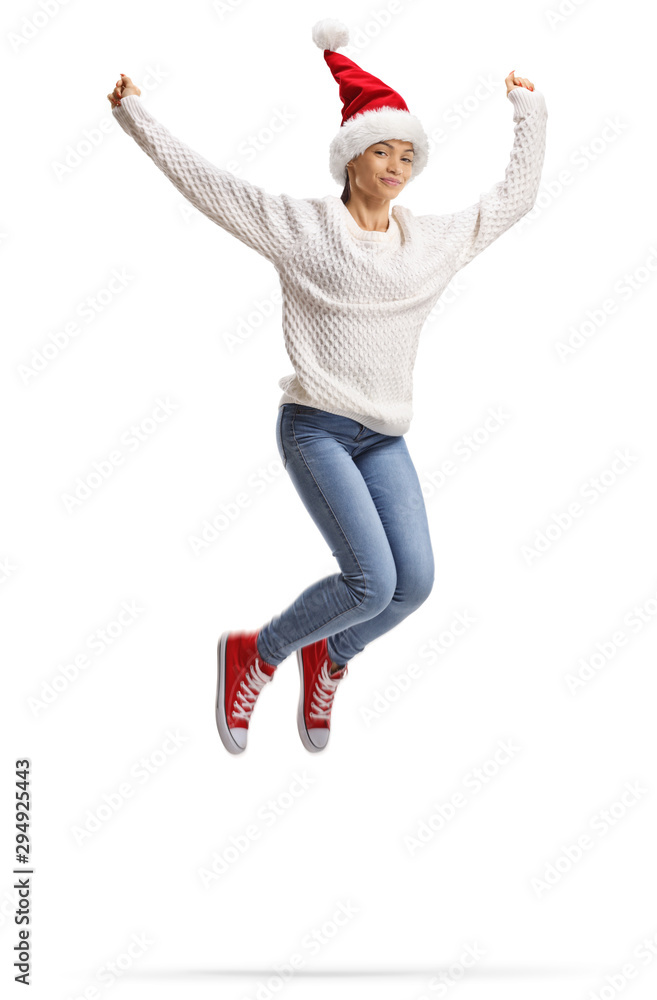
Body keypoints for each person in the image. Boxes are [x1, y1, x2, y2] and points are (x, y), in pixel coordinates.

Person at [107, 18, 547, 756]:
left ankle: (330, 655)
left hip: (383, 436)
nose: (397, 165)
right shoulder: (302, 229)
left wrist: (528, 111)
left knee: (415, 585)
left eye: (408, 154)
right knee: (370, 583)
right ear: (351, 158)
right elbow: (210, 186)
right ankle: (259, 653)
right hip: (315, 427)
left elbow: (514, 199)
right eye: (383, 150)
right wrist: (135, 115)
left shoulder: (430, 243)